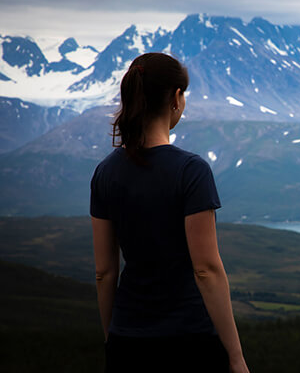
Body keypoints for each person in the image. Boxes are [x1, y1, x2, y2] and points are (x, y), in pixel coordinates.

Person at [90, 52, 250, 373]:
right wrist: (235, 357)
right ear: (177, 98)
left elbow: (104, 272)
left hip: (127, 339)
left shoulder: (105, 172)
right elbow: (205, 269)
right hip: (188, 340)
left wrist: (113, 337)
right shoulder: (190, 171)